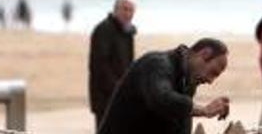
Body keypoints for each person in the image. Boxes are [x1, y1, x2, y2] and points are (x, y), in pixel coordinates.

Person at [97, 38, 231, 134]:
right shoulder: (156, 63)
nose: (210, 81)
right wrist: (204, 110)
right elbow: (162, 98)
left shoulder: (187, 80)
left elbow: (180, 120)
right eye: (213, 73)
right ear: (204, 54)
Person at [89, 0, 137, 129]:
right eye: (125, 9)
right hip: (105, 96)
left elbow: (129, 64)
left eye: (131, 10)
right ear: (115, 10)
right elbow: (99, 66)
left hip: (121, 95)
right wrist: (118, 88)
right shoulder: (104, 29)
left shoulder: (127, 31)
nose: (128, 14)